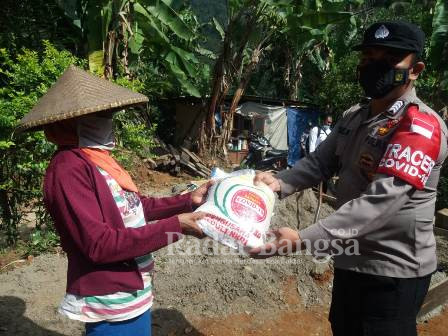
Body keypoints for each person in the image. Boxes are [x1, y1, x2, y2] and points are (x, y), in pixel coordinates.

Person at [251, 21, 448, 336]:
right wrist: (279, 182)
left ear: (415, 69)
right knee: (344, 328)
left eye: (389, 59)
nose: (374, 66)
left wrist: (303, 239)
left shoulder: (418, 127)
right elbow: (319, 162)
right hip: (349, 258)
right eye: (369, 57)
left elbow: (380, 203)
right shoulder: (355, 116)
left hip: (393, 271)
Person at [18, 66, 211, 336]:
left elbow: (136, 208)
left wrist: (188, 200)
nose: (109, 121)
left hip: (134, 288)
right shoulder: (68, 169)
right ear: (72, 121)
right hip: (110, 297)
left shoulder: (99, 160)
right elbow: (99, 244)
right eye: (101, 115)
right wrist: (176, 226)